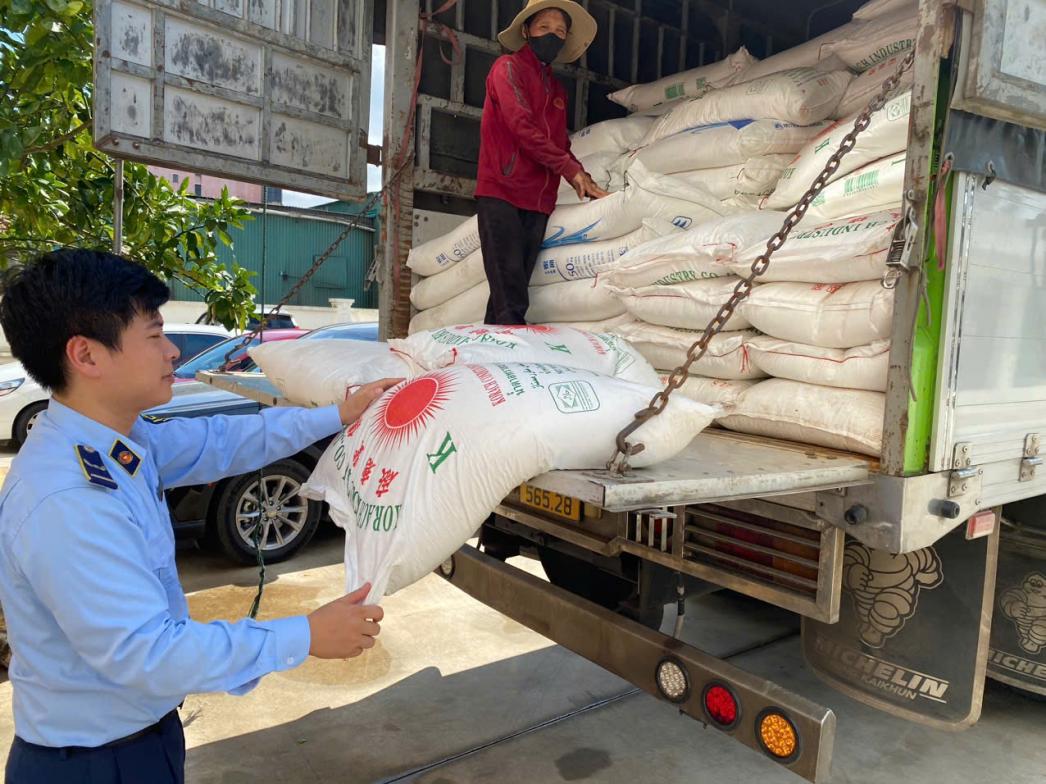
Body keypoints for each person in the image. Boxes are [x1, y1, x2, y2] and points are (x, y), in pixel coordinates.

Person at [0, 249, 402, 783]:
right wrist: (304, 635)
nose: (171, 351)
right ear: (87, 355)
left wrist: (335, 415)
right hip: (93, 764)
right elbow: (148, 652)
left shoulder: (114, 440)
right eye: (154, 335)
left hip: (136, 740)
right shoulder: (69, 497)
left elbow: (221, 441)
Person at [476, 0, 609, 325]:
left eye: (560, 31)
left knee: (507, 295)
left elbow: (559, 143)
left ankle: (486, 360)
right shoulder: (507, 69)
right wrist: (570, 170)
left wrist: (584, 177)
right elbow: (522, 127)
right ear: (526, 30)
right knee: (511, 297)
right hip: (502, 194)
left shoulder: (556, 89)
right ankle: (511, 361)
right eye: (544, 28)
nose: (552, 35)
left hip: (538, 202)